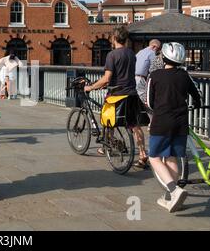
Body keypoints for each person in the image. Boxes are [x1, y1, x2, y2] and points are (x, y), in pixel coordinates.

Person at [147, 42, 202, 212]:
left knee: (154, 157)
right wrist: (197, 105)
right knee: (171, 157)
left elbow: (150, 102)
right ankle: (171, 198)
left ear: (163, 57)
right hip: (181, 123)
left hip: (162, 122)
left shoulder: (154, 75)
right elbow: (197, 95)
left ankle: (174, 189)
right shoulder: (184, 75)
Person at [84, 26, 148, 167]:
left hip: (116, 95)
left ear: (114, 38)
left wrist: (91, 86)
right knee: (135, 126)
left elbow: (107, 78)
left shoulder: (112, 55)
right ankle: (143, 154)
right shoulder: (131, 54)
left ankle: (107, 146)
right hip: (131, 94)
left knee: (107, 121)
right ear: (126, 39)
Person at [135, 39, 161, 107]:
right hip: (141, 79)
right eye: (158, 49)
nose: (157, 52)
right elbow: (154, 69)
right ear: (154, 47)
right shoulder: (152, 53)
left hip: (133, 78)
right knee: (146, 103)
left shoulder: (140, 51)